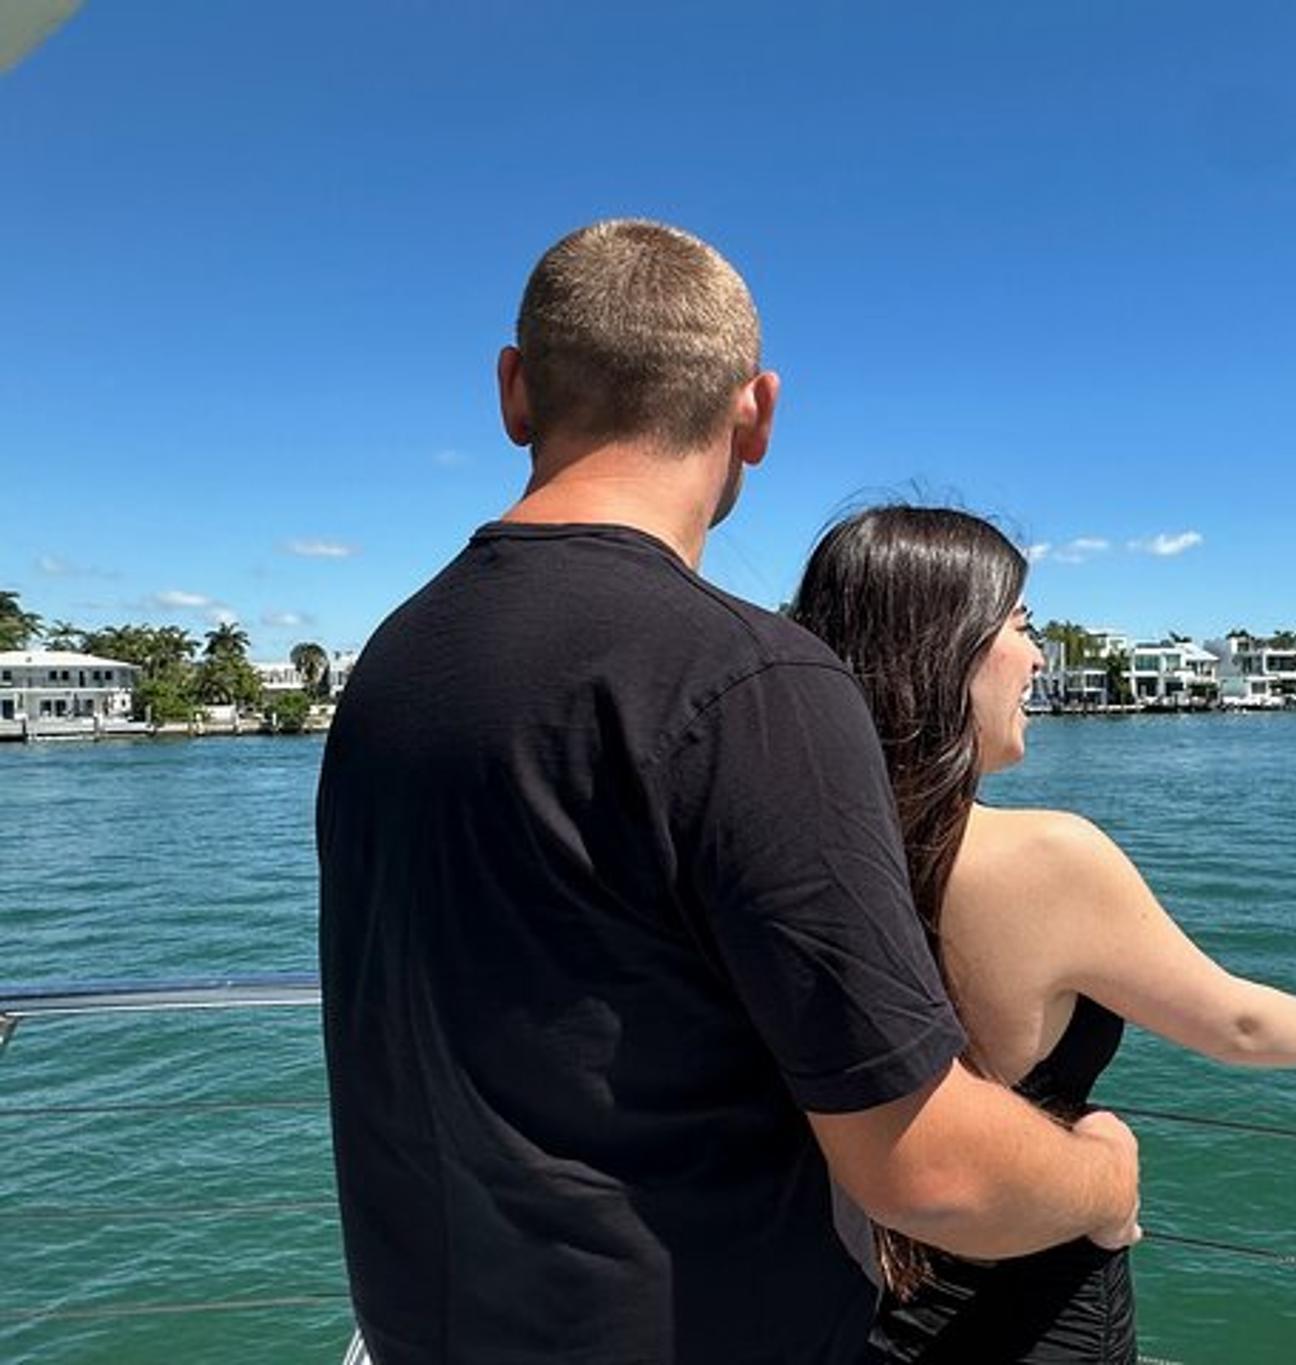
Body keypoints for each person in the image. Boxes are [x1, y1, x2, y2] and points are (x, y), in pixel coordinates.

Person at [317, 222, 1140, 1365]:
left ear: (513, 391)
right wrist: (1101, 1174)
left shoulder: (395, 661)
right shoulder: (751, 681)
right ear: (755, 412)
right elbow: (927, 1166)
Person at [789, 506, 1296, 1365]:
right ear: (943, 649)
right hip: (1029, 1313)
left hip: (849, 1304)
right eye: (1020, 625)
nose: (1039, 655)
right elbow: (1239, 1024)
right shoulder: (1047, 856)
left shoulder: (793, 851)